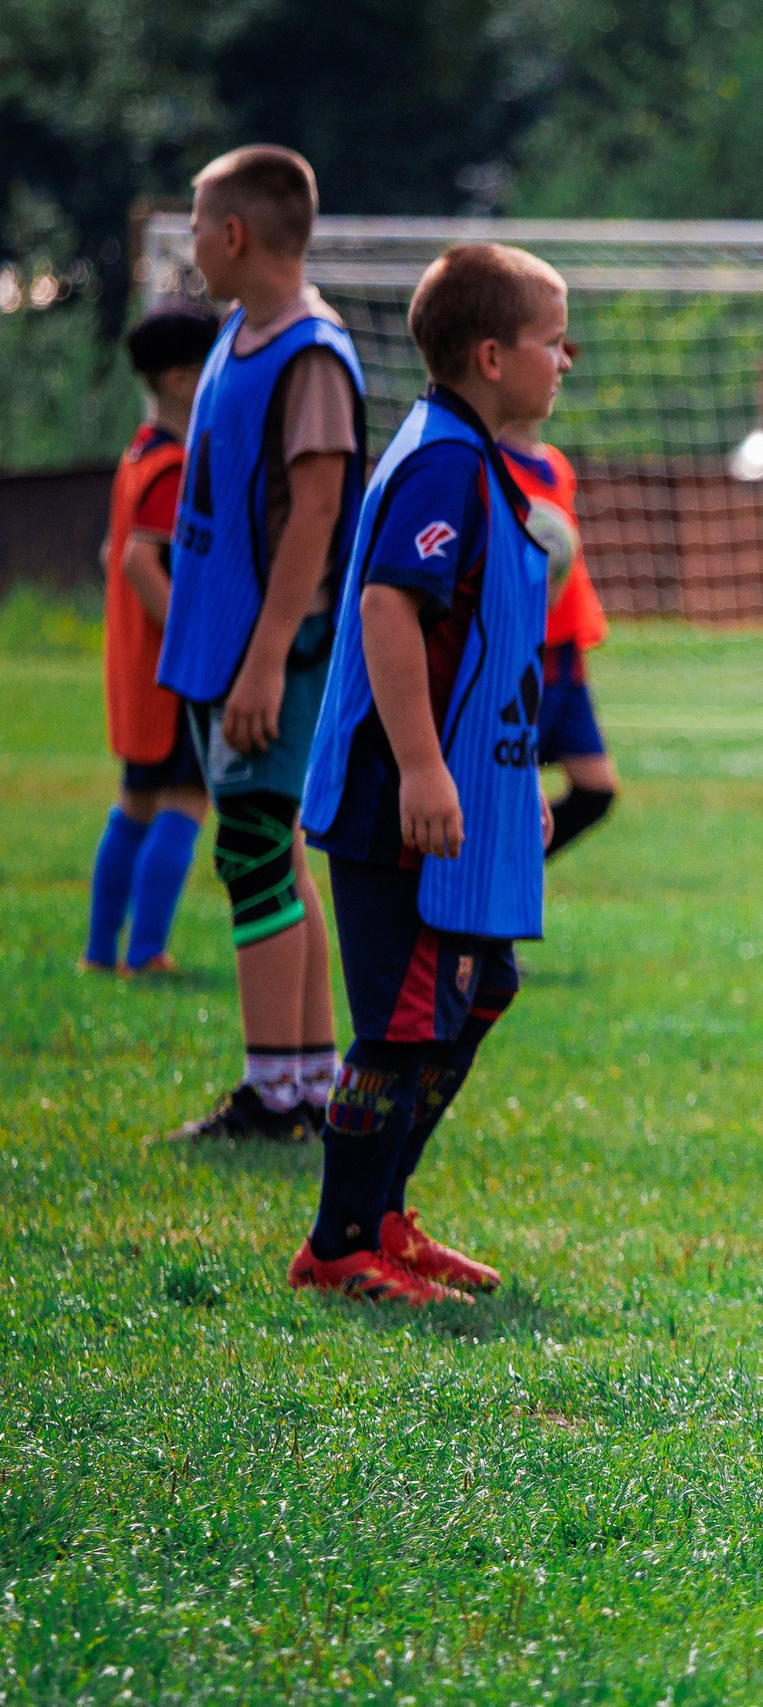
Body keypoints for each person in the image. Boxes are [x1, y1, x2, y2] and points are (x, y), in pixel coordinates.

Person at [293, 242, 572, 1304]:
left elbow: (489, 651)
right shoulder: (444, 462)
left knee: (481, 990)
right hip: (389, 804)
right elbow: (386, 609)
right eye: (555, 342)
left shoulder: (479, 460)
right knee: (403, 1023)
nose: (566, 361)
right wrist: (419, 769)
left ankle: (385, 1213)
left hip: (453, 801)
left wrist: (507, 791)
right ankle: (337, 1243)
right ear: (492, 356)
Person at [156, 145, 366, 1142]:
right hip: (224, 642)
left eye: (198, 224)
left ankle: (273, 1094)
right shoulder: (243, 330)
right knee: (270, 851)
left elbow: (317, 512)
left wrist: (268, 656)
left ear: (235, 234)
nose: (193, 241)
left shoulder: (310, 353)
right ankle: (310, 1084)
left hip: (270, 650)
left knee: (248, 851)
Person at [83, 305, 219, 978]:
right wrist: (194, 639)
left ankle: (99, 952)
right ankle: (147, 952)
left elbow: (112, 550)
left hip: (137, 666)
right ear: (182, 379)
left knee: (135, 802)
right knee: (186, 800)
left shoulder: (137, 454)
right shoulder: (174, 466)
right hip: (172, 671)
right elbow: (138, 560)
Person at [495, 423, 620, 858]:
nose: (562, 365)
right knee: (506, 791)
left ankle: (510, 869)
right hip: (526, 657)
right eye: (551, 349)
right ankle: (491, 882)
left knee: (596, 790)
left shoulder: (557, 464)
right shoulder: (488, 463)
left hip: (568, 654)